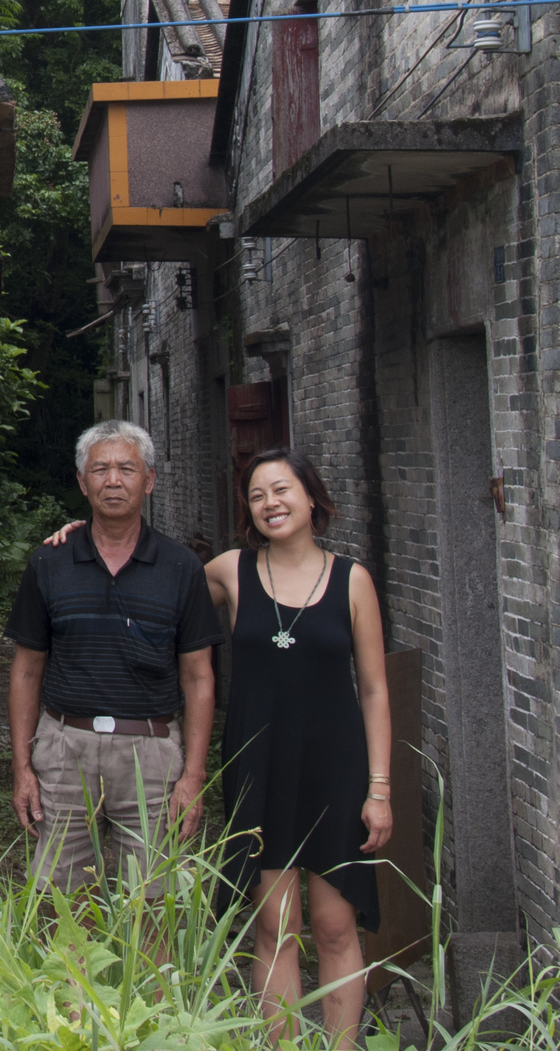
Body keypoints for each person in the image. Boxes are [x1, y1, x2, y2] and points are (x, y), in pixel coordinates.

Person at [212, 449, 392, 1047]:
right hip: (260, 768)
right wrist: (83, 530)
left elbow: (372, 690)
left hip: (336, 771)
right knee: (275, 927)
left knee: (337, 927)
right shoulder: (230, 571)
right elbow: (149, 572)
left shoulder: (353, 579)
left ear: (311, 497)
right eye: (258, 495)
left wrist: (380, 789)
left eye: (282, 489)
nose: (270, 503)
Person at [6, 420, 222, 899]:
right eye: (99, 469)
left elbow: (199, 677)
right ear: (82, 482)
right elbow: (26, 670)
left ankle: (148, 978)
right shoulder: (50, 563)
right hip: (64, 747)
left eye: (127, 468)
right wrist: (22, 766)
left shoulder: (182, 567)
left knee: (151, 903)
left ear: (149, 480)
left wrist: (193, 774)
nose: (113, 480)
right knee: (59, 902)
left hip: (150, 752)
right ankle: (68, 979)